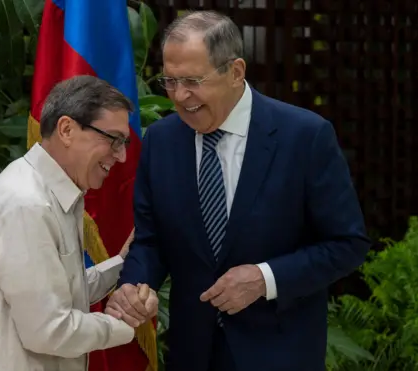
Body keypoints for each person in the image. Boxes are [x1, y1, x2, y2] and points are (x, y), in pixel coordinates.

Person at [105, 10, 371, 371]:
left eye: (193, 81)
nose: (181, 97)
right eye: (170, 81)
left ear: (235, 72)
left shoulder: (304, 137)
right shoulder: (161, 141)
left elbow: (347, 244)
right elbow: (151, 240)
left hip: (279, 354)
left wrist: (265, 279)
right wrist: (133, 286)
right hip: (192, 355)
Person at [0, 75, 157, 371]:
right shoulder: (25, 204)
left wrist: (121, 265)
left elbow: (55, 291)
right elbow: (49, 330)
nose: (122, 156)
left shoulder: (51, 194)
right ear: (67, 129)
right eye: (113, 139)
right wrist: (121, 325)